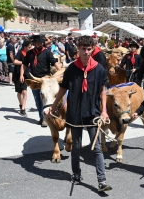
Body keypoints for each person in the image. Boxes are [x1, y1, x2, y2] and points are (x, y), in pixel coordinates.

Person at [45, 35, 112, 192]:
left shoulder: (99, 69)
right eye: (83, 49)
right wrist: (54, 106)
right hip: (75, 112)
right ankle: (76, 173)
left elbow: (103, 91)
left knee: (96, 148)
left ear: (93, 49)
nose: (86, 52)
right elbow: (63, 88)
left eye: (89, 49)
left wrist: (104, 111)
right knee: (75, 146)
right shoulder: (71, 69)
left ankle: (101, 180)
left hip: (93, 112)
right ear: (78, 49)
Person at [22, 35, 61, 127]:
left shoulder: (47, 52)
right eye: (38, 43)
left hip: (45, 80)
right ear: (34, 43)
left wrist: (61, 72)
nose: (40, 44)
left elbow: (54, 62)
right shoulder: (30, 53)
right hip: (34, 80)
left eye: (41, 43)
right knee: (37, 100)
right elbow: (24, 64)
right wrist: (21, 75)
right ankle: (41, 116)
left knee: (45, 99)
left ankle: (45, 119)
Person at [14, 40, 32, 117]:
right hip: (18, 74)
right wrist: (24, 63)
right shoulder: (20, 53)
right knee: (19, 92)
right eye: (29, 47)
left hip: (26, 75)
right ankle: (21, 104)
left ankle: (23, 109)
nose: (30, 48)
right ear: (25, 47)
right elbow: (15, 61)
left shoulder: (30, 54)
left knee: (24, 92)